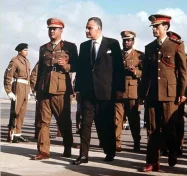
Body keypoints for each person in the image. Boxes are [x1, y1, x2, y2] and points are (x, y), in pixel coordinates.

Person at [139, 14, 187, 172]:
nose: (154, 29)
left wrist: (182, 93)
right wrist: (141, 95)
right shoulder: (149, 47)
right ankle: (152, 162)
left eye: (157, 26)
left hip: (170, 93)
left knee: (169, 127)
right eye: (153, 27)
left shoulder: (175, 45)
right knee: (151, 129)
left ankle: (173, 150)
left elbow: (183, 72)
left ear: (165, 27)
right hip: (152, 94)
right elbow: (145, 75)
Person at [73, 17, 125, 165]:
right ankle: (83, 155)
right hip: (88, 93)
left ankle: (110, 151)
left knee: (106, 124)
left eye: (89, 28)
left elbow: (118, 69)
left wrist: (120, 89)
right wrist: (78, 90)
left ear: (99, 29)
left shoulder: (112, 44)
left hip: (106, 93)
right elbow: (81, 71)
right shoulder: (84, 46)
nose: (87, 31)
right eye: (86, 28)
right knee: (85, 124)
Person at [31, 18, 78, 160]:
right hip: (44, 89)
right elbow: (40, 70)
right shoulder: (43, 48)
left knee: (63, 120)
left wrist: (67, 66)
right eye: (50, 29)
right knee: (42, 121)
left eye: (55, 29)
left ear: (61, 30)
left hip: (61, 89)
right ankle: (43, 151)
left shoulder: (70, 47)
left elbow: (77, 66)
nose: (52, 31)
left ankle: (68, 146)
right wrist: (37, 89)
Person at [115, 31, 144, 152]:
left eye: (128, 40)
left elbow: (146, 74)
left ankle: (136, 142)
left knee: (134, 120)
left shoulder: (139, 56)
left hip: (133, 93)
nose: (126, 42)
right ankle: (116, 143)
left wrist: (135, 72)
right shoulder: (116, 55)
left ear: (133, 41)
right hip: (118, 92)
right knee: (116, 119)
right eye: (124, 40)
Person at [167, 31, 187, 156]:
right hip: (167, 91)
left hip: (180, 93)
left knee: (178, 121)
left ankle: (179, 144)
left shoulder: (186, 57)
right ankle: (167, 146)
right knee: (166, 121)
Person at [4, 43, 31, 143]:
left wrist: (28, 92)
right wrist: (9, 91)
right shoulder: (15, 61)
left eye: (27, 50)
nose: (27, 52)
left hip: (25, 87)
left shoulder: (27, 62)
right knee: (15, 111)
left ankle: (18, 133)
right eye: (25, 50)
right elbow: (8, 76)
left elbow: (28, 78)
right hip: (18, 86)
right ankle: (12, 134)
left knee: (22, 112)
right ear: (19, 51)